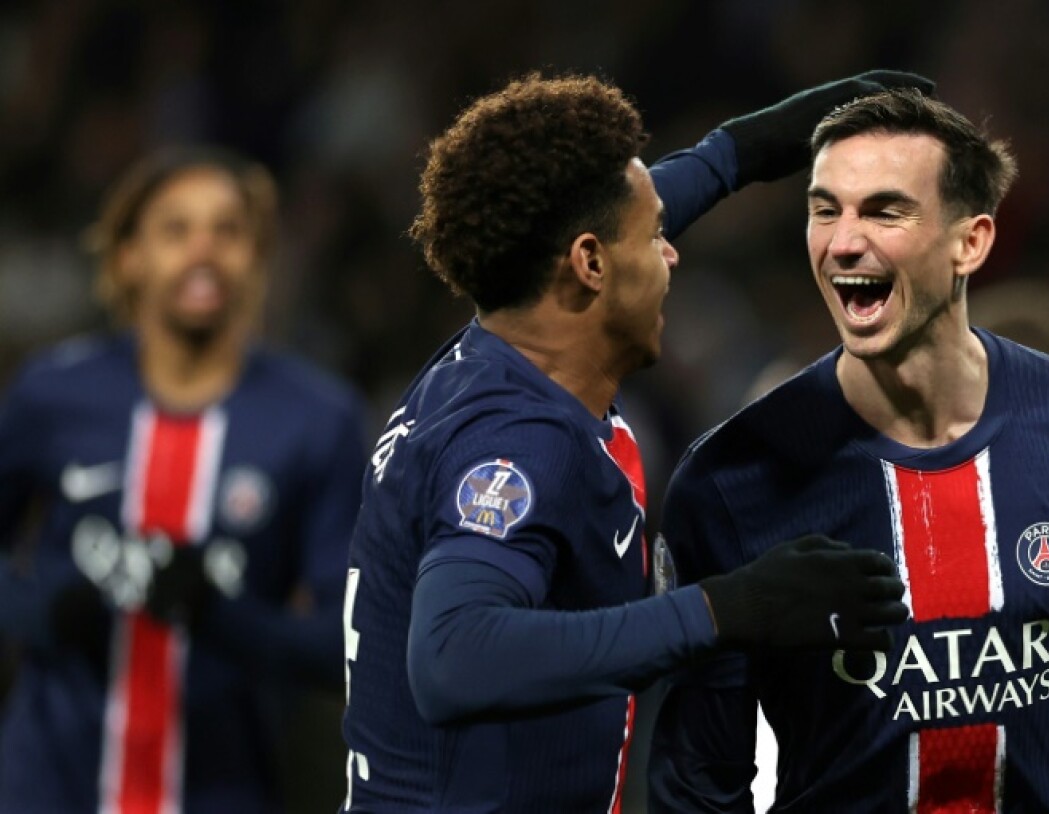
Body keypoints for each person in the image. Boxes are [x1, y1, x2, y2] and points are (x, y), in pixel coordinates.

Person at [339, 70, 937, 813]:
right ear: (590, 264)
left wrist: (740, 152)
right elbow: (453, 658)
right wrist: (730, 609)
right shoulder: (519, 443)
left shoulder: (500, 344)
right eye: (656, 237)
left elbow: (604, 220)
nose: (672, 253)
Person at [647, 87, 1049, 812]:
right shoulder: (732, 480)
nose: (843, 241)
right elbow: (698, 784)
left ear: (970, 242)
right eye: (825, 210)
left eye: (885, 211)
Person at [0, 146, 369, 813]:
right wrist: (42, 609)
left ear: (257, 257)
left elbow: (349, 645)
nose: (204, 251)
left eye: (227, 231)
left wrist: (221, 616)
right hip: (46, 788)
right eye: (176, 229)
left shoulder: (319, 420)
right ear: (128, 256)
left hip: (223, 791)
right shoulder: (51, 394)